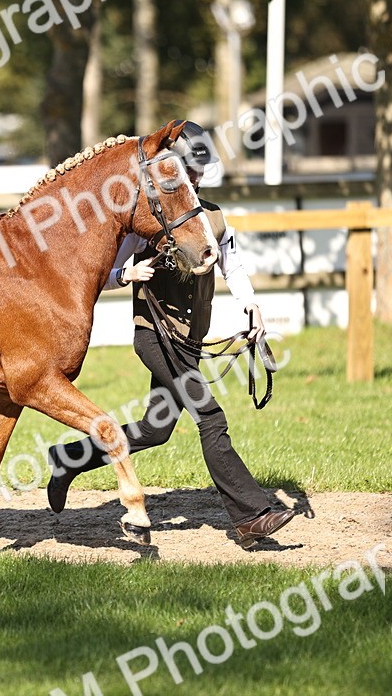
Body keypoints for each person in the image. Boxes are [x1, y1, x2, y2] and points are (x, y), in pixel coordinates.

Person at [45, 136, 297, 549]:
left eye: (199, 172)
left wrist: (251, 305)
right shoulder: (148, 218)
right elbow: (97, 272)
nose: (195, 178)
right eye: (188, 171)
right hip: (155, 337)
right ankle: (251, 517)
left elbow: (233, 264)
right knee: (211, 418)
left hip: (189, 340)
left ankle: (68, 459)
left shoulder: (210, 218)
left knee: (154, 430)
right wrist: (125, 276)